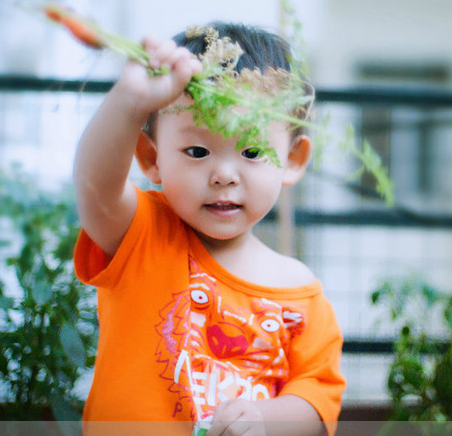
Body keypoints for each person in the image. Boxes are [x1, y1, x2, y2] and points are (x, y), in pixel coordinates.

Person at [73, 22, 345, 436]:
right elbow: (96, 191)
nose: (223, 175)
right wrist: (128, 104)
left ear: (292, 159)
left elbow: (317, 397)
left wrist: (263, 420)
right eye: (197, 151)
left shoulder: (301, 293)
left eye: (252, 151)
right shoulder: (141, 234)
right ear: (151, 158)